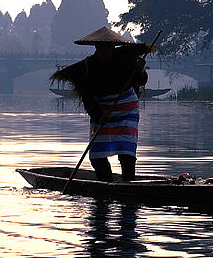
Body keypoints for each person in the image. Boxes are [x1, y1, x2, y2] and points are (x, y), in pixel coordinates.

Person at [51, 27, 149, 182]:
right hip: (102, 110)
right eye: (102, 48)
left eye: (108, 48)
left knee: (126, 150)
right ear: (96, 48)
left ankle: (129, 183)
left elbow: (141, 80)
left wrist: (140, 70)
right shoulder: (87, 68)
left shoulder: (125, 58)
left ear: (113, 47)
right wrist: (98, 115)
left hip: (127, 109)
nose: (105, 51)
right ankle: (106, 183)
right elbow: (87, 97)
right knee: (97, 155)